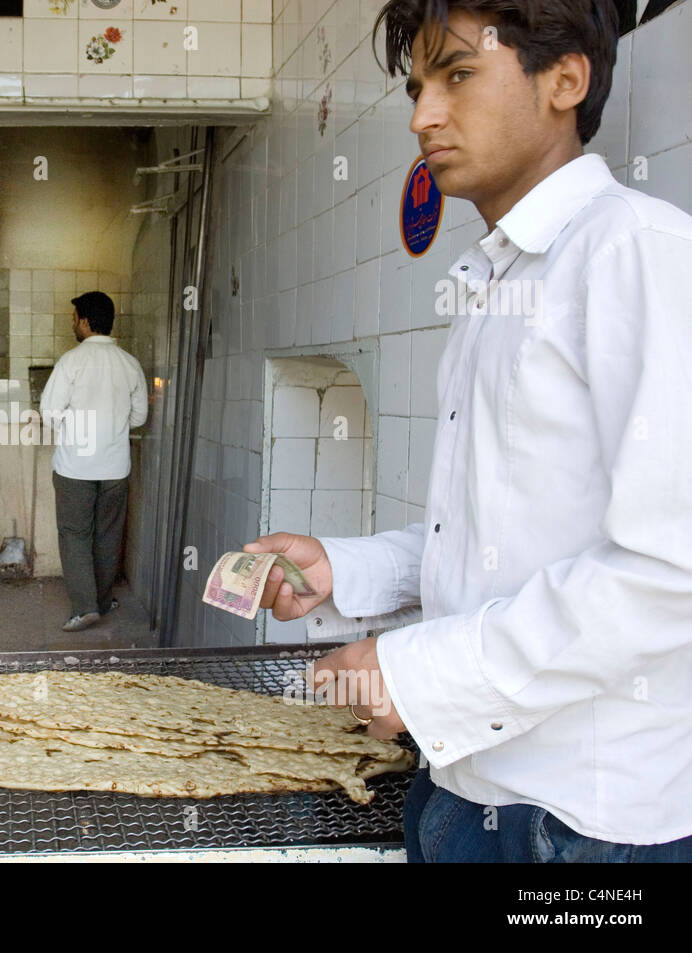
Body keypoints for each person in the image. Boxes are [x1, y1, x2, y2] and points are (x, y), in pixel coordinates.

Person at [247, 0, 692, 862]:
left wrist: (417, 673)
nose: (422, 116)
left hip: (582, 828)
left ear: (566, 79)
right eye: (418, 86)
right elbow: (496, 535)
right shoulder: (494, 283)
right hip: (460, 791)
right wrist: (350, 566)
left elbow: (670, 568)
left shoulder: (638, 256)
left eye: (457, 75)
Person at [40, 291, 147, 632]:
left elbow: (49, 412)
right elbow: (140, 416)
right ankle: (101, 600)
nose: (73, 323)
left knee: (75, 535)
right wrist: (110, 427)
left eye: (74, 318)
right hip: (115, 468)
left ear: (85, 321)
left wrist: (76, 428)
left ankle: (85, 607)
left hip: (76, 468)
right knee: (108, 535)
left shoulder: (71, 361)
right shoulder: (129, 363)